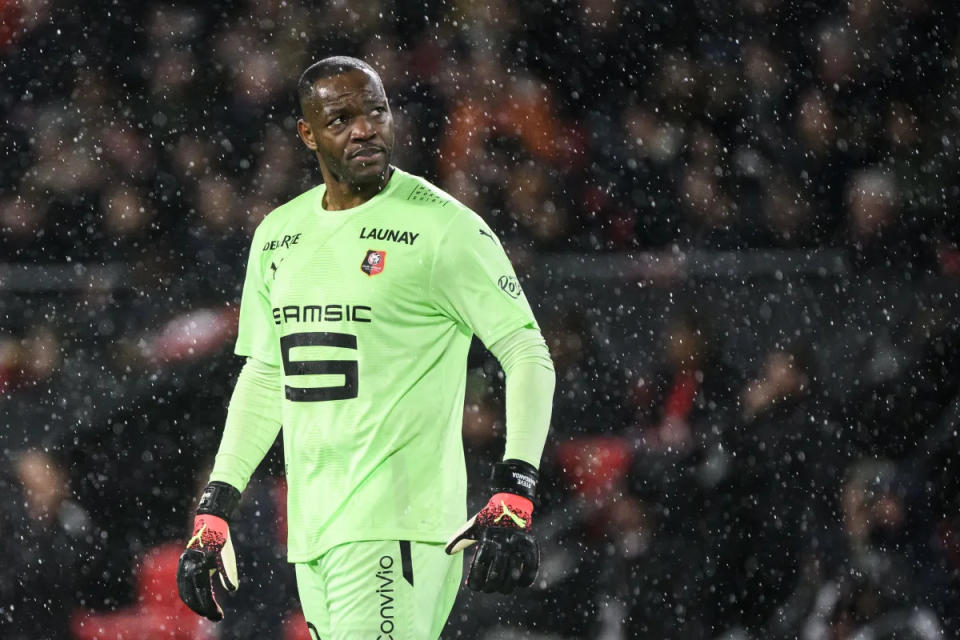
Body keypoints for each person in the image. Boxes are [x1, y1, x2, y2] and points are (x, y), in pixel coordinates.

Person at [175, 56, 556, 640]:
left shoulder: (443, 229)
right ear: (307, 134)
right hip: (312, 532)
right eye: (340, 118)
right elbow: (268, 375)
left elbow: (527, 353)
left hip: (397, 526)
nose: (364, 128)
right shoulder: (278, 236)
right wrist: (215, 508)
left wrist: (515, 490)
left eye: (376, 111)